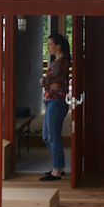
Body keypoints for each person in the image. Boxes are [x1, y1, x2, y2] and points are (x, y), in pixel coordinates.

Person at [40, 33, 71, 181]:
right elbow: (48, 82)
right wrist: (47, 82)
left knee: (52, 135)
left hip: (56, 101)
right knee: (47, 135)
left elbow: (47, 81)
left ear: (58, 46)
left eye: (50, 44)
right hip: (52, 101)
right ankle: (58, 166)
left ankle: (57, 170)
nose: (49, 47)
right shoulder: (58, 62)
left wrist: (45, 81)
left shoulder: (60, 63)